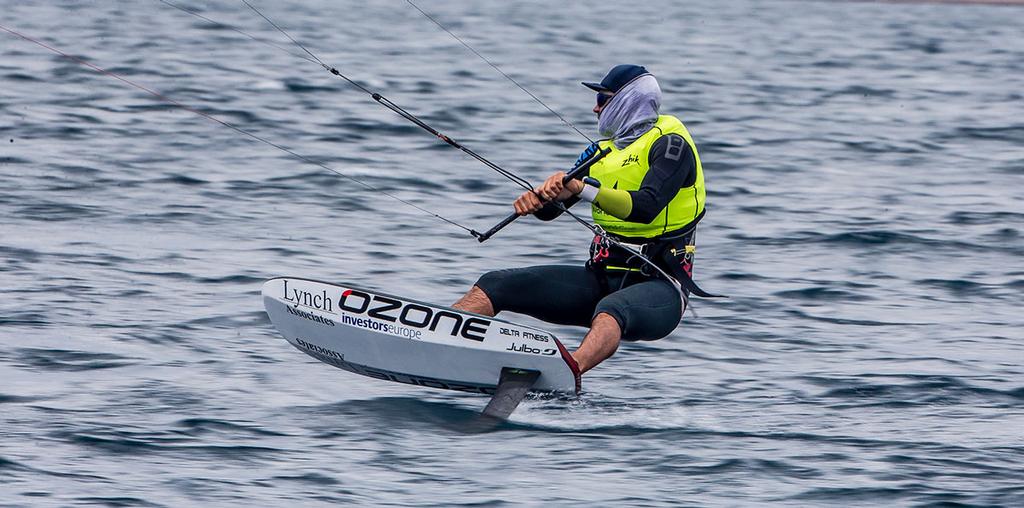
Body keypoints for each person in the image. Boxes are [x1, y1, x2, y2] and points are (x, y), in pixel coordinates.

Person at [453, 64, 709, 383]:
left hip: (660, 288)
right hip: (600, 278)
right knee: (495, 284)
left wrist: (579, 187)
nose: (595, 107)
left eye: (602, 99)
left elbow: (645, 207)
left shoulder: (671, 146)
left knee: (611, 311)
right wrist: (540, 200)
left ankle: (562, 375)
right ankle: (442, 343)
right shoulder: (600, 153)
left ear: (628, 101)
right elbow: (554, 211)